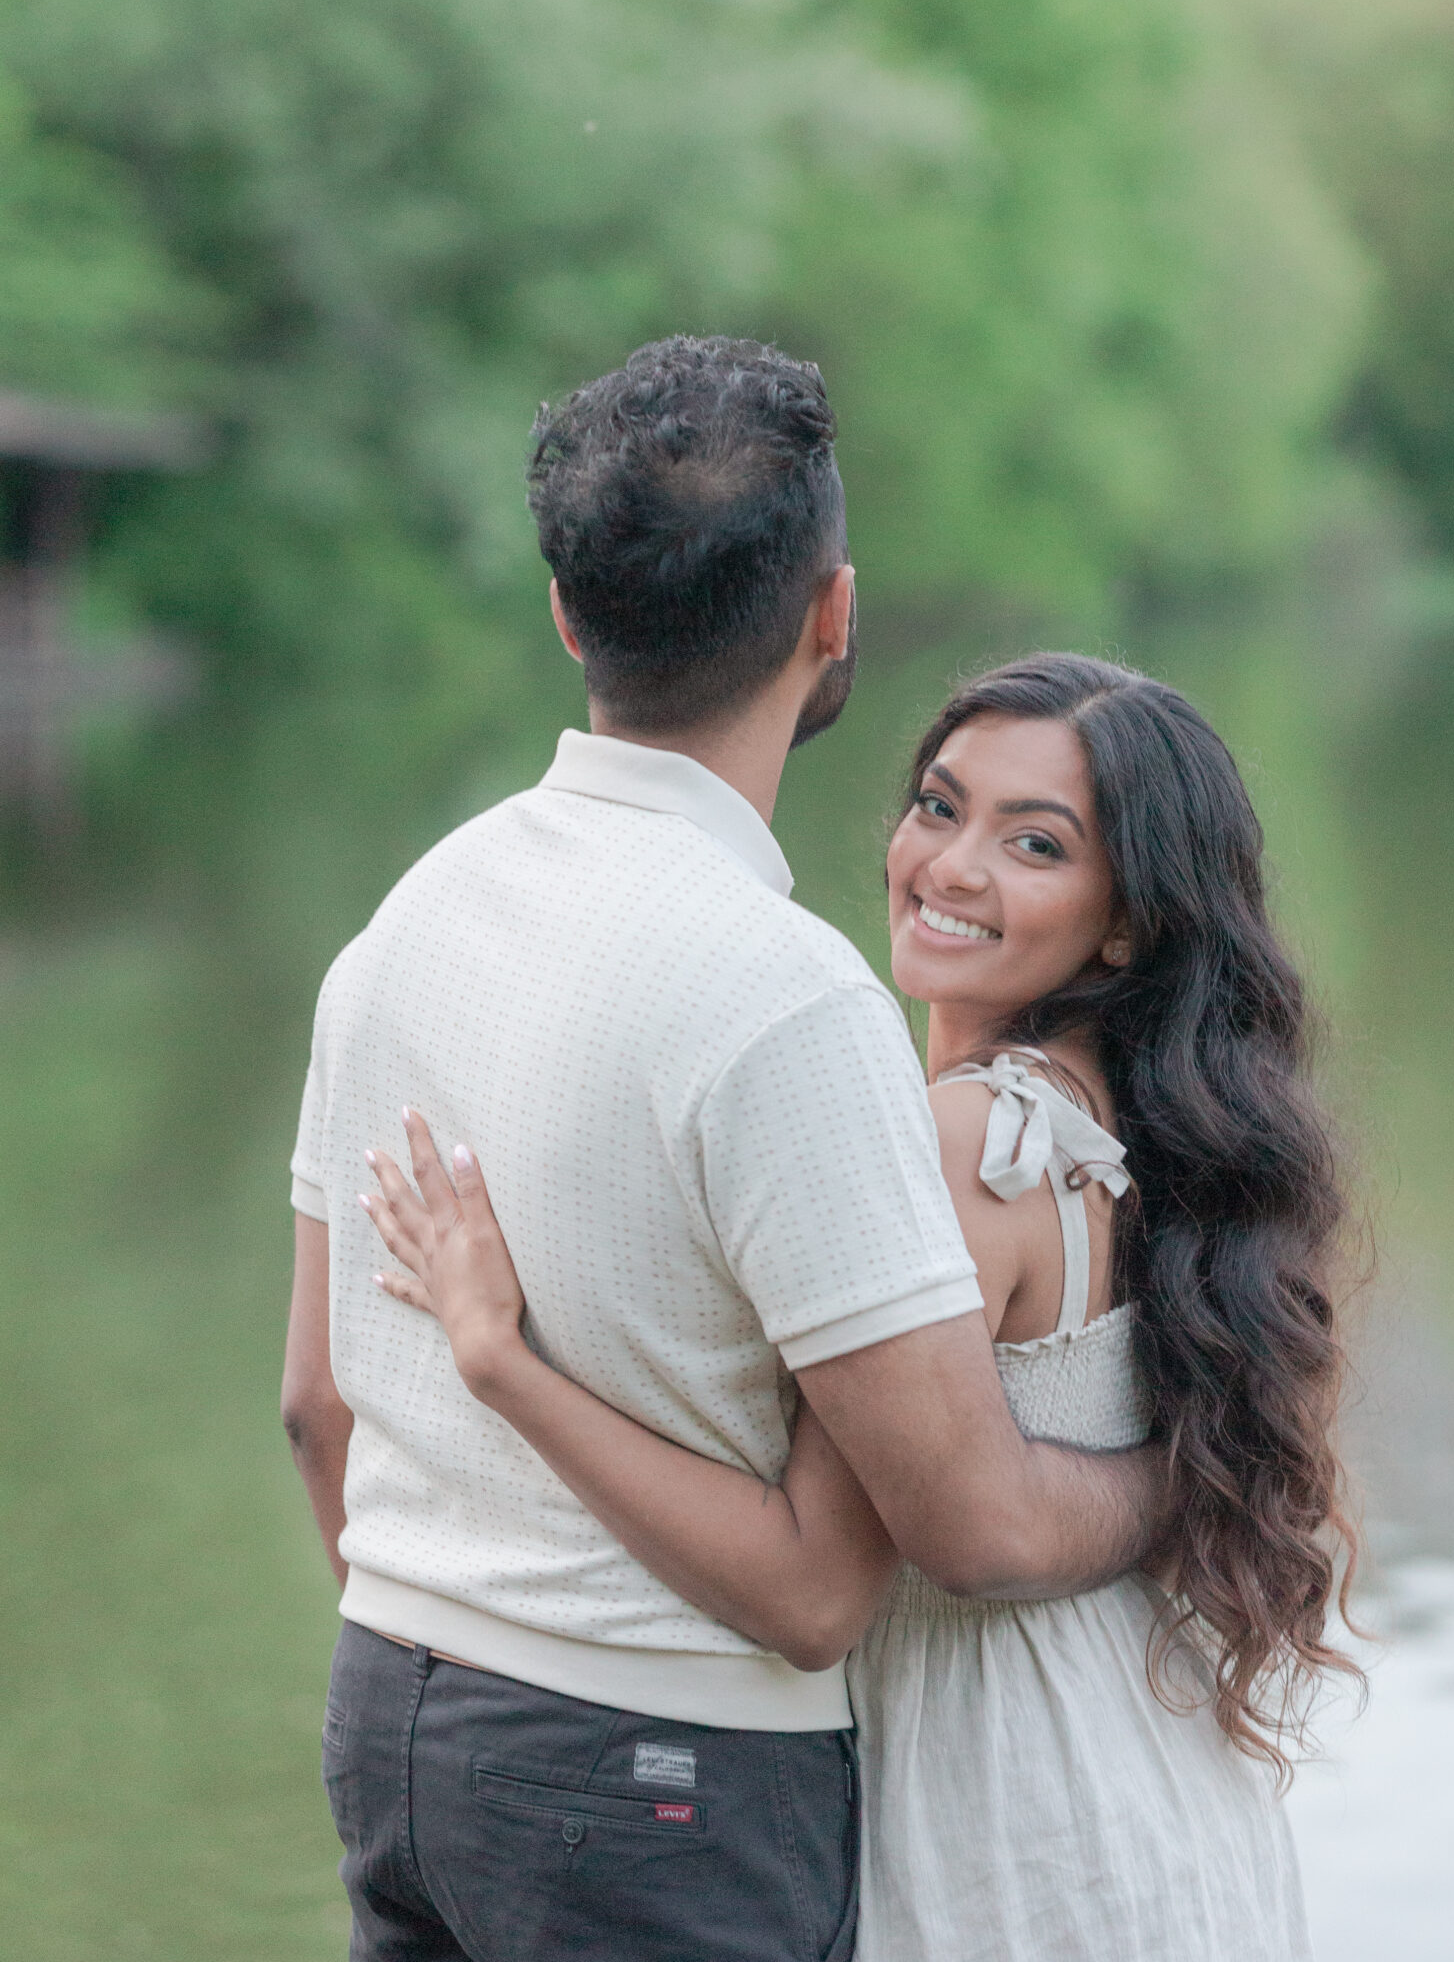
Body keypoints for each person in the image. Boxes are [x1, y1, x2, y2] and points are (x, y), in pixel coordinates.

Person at [281, 338, 1169, 1962]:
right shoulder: (788, 1001)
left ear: (565, 616)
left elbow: (314, 1404)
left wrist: (454, 1649)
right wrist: (1191, 1475)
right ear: (834, 618)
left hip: (390, 1718)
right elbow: (902, 1561)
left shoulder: (404, 924)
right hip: (660, 1780)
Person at [362, 650, 1359, 1960]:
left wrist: (502, 1360)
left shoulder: (965, 1143)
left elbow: (841, 1566)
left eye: (1036, 844)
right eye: (939, 807)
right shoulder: (1138, 1122)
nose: (950, 866)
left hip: (1002, 1793)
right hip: (1145, 1767)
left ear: (1123, 922)